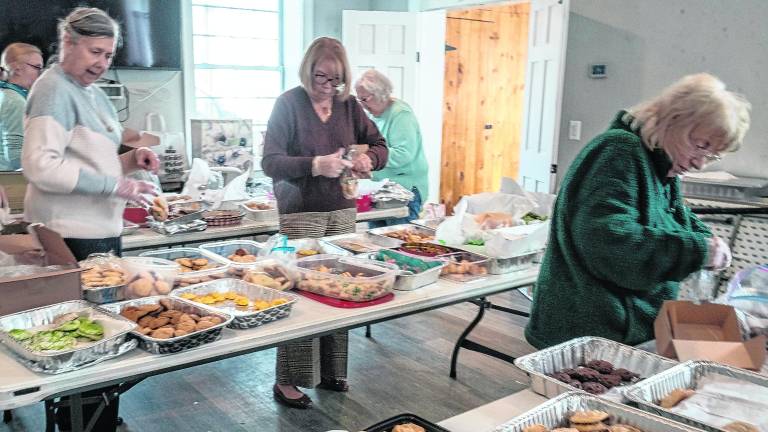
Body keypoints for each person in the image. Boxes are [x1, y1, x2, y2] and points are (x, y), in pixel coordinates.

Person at [525, 73, 751, 349]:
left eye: (712, 155)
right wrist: (698, 251)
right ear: (672, 119)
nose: (700, 164)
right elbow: (611, 246)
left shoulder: (660, 166)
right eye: (700, 146)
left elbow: (678, 222)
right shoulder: (619, 151)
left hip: (624, 329)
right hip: (589, 333)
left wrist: (708, 244)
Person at [261, 37, 388, 409]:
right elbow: (270, 162)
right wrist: (315, 165)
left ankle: (332, 371)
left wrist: (371, 161)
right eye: (321, 78)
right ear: (308, 70)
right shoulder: (288, 104)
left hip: (343, 210)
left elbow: (380, 145)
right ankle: (289, 379)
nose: (328, 87)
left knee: (341, 289)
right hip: (301, 212)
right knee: (302, 293)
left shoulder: (349, 107)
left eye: (336, 80)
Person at [22, 7, 159, 263]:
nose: (102, 64)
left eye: (108, 55)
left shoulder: (93, 93)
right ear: (68, 42)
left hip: (98, 230)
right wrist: (115, 186)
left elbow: (92, 165)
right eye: (95, 52)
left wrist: (134, 159)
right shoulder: (53, 89)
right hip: (69, 234)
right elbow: (41, 166)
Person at [355, 69, 428, 226]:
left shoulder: (401, 115)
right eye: (358, 99)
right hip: (381, 189)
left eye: (364, 99)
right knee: (376, 240)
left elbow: (404, 153)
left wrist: (370, 159)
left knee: (400, 241)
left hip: (405, 190)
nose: (361, 104)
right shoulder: (371, 115)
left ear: (379, 94)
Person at [0, 43, 43, 171]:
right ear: (17, 69)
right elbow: (15, 158)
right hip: (9, 182)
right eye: (37, 67)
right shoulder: (15, 101)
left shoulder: (5, 95)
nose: (41, 73)